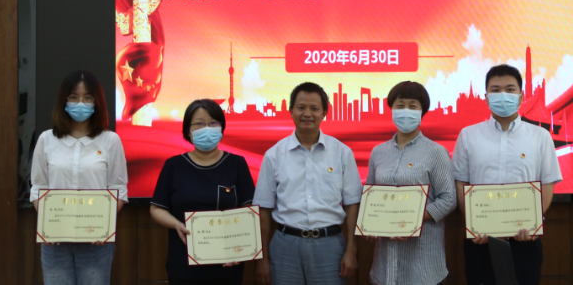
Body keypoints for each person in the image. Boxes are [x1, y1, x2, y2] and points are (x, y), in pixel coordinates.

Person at [452, 64, 563, 285]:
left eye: (510, 89)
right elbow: (461, 183)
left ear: (521, 96)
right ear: (486, 97)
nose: (503, 95)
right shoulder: (468, 135)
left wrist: (532, 223)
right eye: (495, 90)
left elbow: (547, 185)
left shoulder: (541, 136)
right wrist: (475, 223)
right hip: (481, 240)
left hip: (525, 240)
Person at [253, 82, 362, 285]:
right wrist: (263, 259)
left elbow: (352, 204)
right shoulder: (274, 155)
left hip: (330, 246)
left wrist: (351, 250)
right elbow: (264, 209)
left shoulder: (342, 152)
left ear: (324, 113)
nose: (307, 114)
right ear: (291, 111)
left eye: (314, 108)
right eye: (301, 107)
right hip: (285, 246)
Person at [30, 70, 128, 285]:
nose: (80, 103)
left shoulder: (110, 141)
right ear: (63, 101)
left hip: (96, 243)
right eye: (73, 97)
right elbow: (38, 188)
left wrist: (103, 225)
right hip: (55, 243)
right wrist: (50, 224)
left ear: (97, 102)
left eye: (88, 97)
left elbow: (118, 190)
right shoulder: (46, 140)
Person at [150, 99, 255, 285]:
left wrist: (241, 248)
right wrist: (176, 224)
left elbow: (248, 210)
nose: (207, 128)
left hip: (227, 263)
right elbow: (157, 209)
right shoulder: (173, 165)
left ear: (221, 128)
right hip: (184, 264)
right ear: (188, 131)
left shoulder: (237, 164)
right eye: (199, 124)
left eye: (213, 123)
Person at [366, 81, 456, 285]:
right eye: (400, 105)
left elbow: (448, 199)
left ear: (422, 111)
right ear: (391, 109)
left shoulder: (436, 152)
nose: (406, 111)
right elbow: (370, 198)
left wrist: (409, 219)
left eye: (413, 106)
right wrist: (371, 224)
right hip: (384, 265)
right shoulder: (378, 152)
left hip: (423, 265)